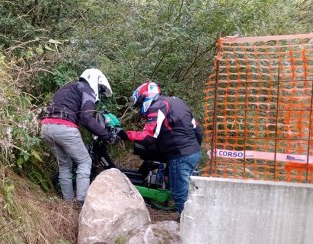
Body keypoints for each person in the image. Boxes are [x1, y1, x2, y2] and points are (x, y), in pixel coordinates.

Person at [40, 68, 119, 206]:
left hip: (46, 127)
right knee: (85, 162)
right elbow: (86, 117)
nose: (98, 92)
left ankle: (68, 203)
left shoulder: (67, 87)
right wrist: (107, 135)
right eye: (100, 89)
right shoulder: (87, 90)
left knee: (65, 165)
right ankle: (81, 202)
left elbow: (77, 114)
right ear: (96, 82)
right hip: (64, 127)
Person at [123, 81, 203, 213]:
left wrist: (125, 134)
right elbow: (197, 130)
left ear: (146, 97)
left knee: (179, 193)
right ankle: (190, 217)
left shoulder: (158, 106)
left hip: (180, 155)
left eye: (139, 104)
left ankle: (186, 224)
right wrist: (192, 150)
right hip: (193, 152)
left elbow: (148, 137)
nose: (139, 108)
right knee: (185, 188)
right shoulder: (178, 102)